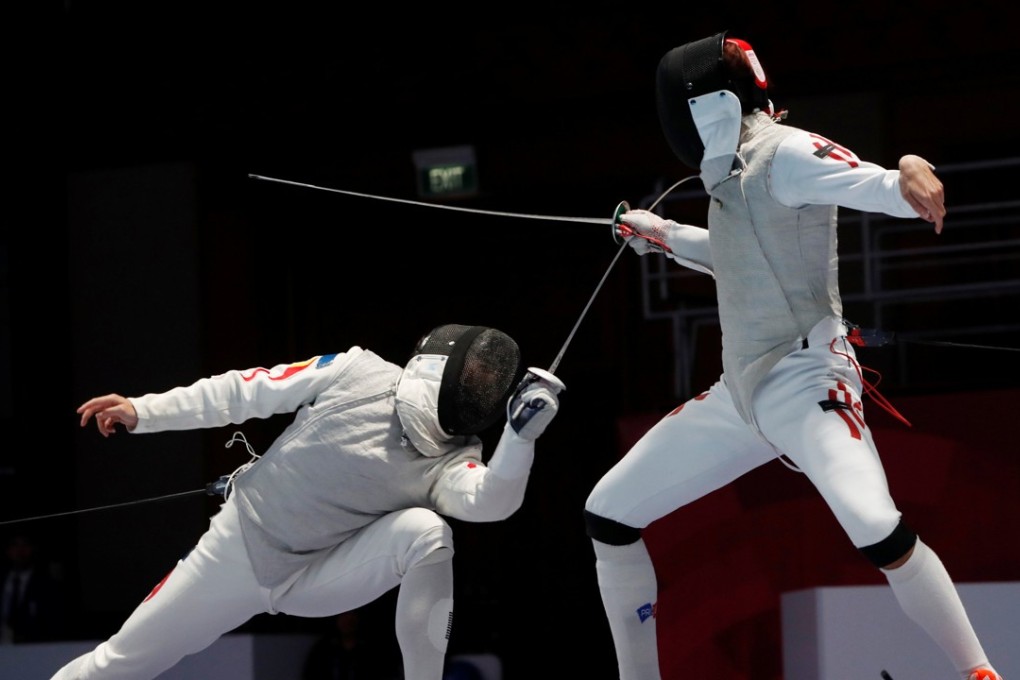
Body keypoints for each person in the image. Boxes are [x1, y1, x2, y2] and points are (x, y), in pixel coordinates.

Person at [583, 31, 1003, 680]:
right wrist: (662, 234)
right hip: (741, 397)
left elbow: (883, 186)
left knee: (876, 527)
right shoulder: (733, 169)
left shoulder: (785, 151)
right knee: (608, 513)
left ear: (704, 107)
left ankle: (980, 673)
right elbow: (737, 257)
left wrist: (911, 169)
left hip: (809, 386)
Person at [53, 323, 564, 680]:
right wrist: (145, 411)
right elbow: (245, 391)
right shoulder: (357, 372)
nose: (479, 385)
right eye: (474, 374)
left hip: (318, 577)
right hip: (237, 551)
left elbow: (491, 502)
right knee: (117, 663)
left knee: (428, 534)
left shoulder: (453, 458)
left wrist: (520, 439)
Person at [1, 532, 67, 644]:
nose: (20, 551)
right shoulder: (3, 580)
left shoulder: (47, 585)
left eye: (25, 545)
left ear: (33, 549)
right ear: (8, 551)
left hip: (33, 648)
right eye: (15, 545)